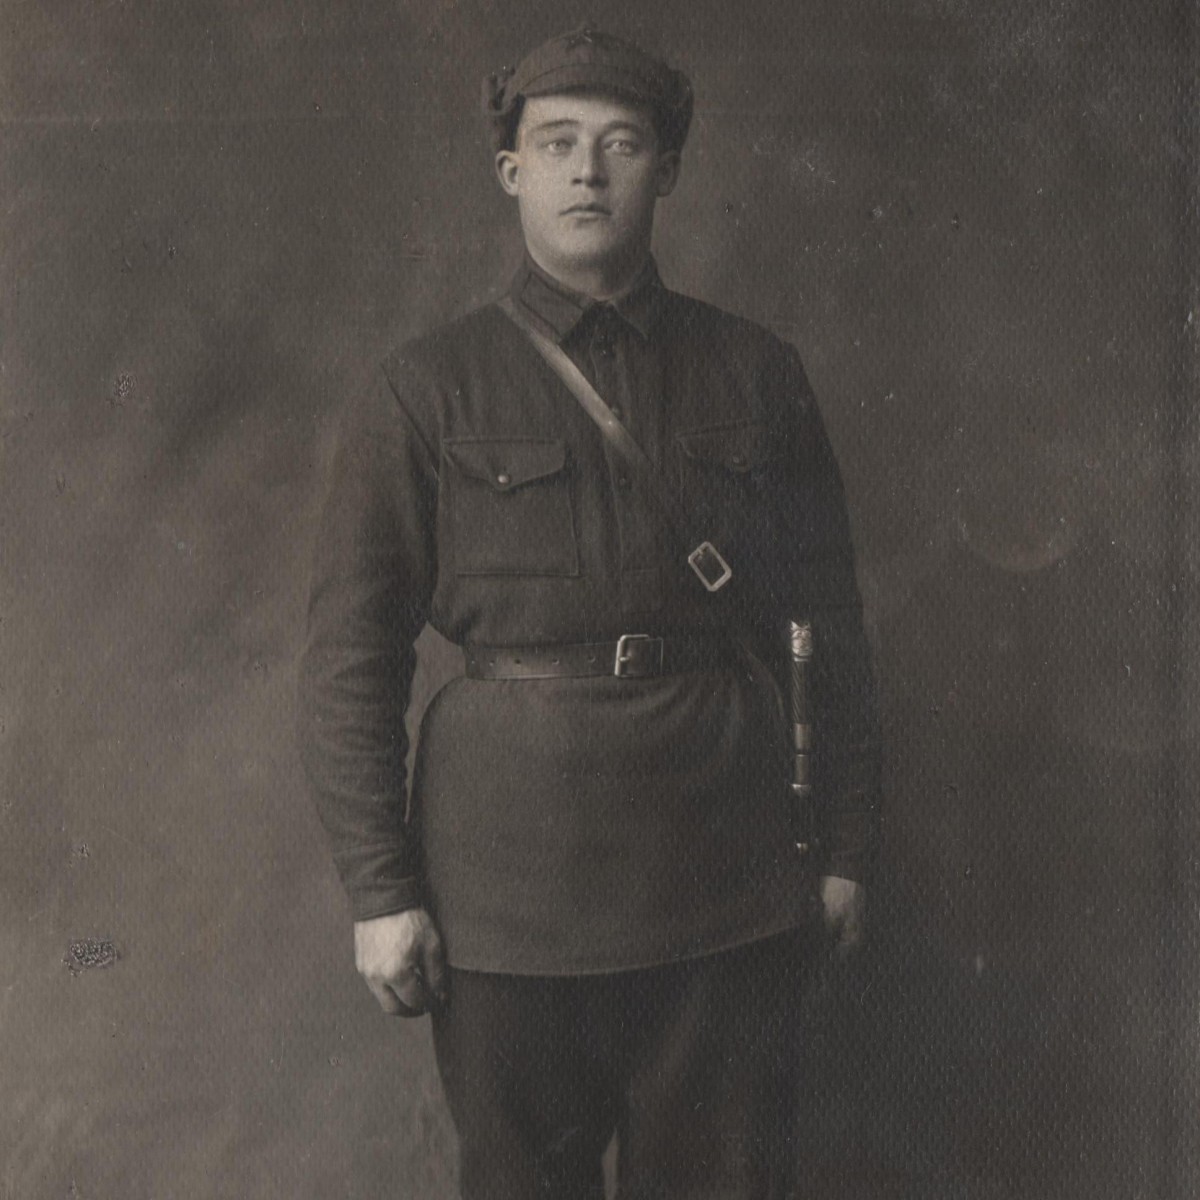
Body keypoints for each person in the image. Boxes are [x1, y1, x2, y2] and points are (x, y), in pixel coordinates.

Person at [299, 25, 882, 1199]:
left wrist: (848, 849)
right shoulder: (426, 388)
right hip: (509, 887)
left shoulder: (756, 374)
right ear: (510, 168)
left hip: (723, 868)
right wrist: (381, 888)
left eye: (621, 145)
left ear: (667, 168)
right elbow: (351, 657)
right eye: (555, 144)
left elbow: (830, 632)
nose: (587, 173)